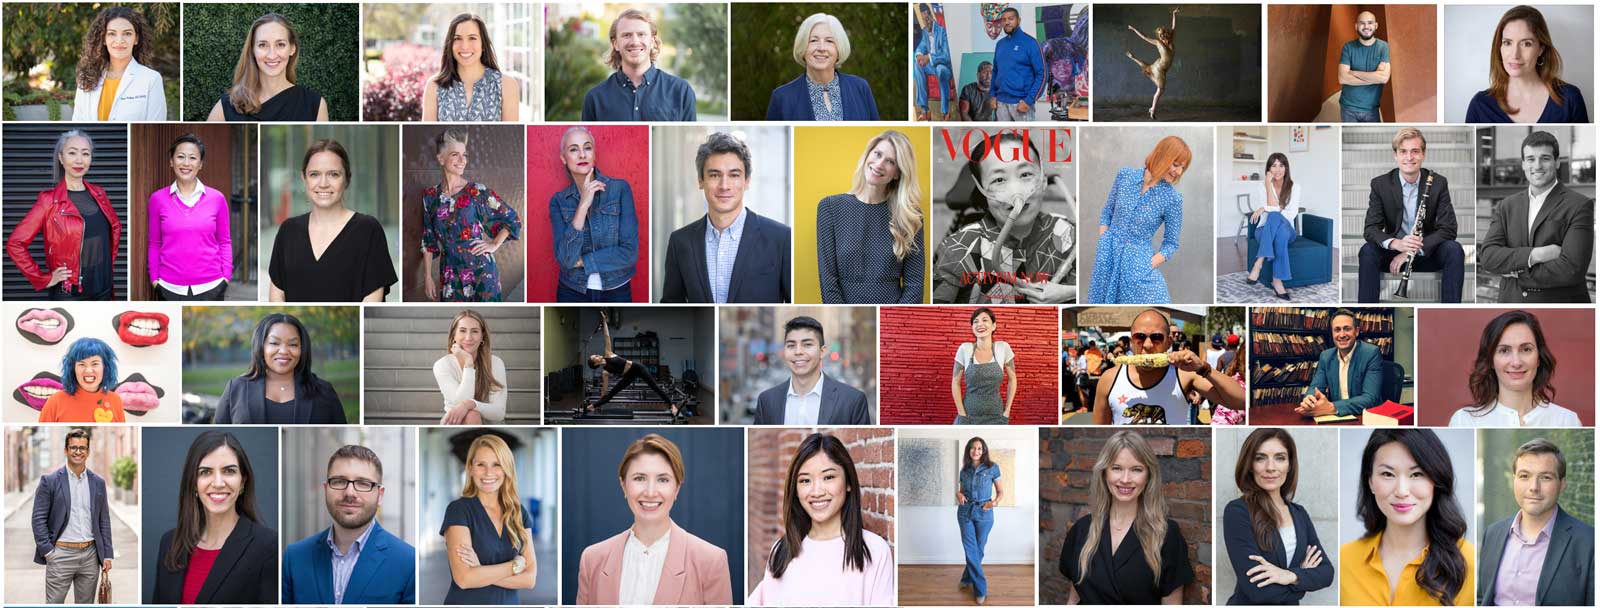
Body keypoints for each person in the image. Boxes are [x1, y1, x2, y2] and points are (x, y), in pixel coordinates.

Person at [575, 434, 733, 604]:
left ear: (677, 488)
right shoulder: (592, 559)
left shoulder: (711, 561)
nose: (650, 492)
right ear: (623, 485)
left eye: (663, 480)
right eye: (639, 478)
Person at [748, 433, 895, 605]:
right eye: (805, 480)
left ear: (848, 483)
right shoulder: (781, 551)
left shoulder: (874, 551)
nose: (816, 492)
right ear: (795, 489)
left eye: (828, 477)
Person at [931, 131, 1075, 304]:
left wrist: (1071, 293)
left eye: (1025, 174)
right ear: (982, 191)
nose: (1016, 191)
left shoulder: (1069, 235)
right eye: (999, 180)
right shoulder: (956, 250)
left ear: (1043, 181)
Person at [1340, 429, 1474, 606]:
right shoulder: (1345, 560)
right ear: (1371, 481)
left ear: (1436, 480)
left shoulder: (1467, 561)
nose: (1402, 491)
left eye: (1417, 474)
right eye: (1388, 474)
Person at [1059, 430, 1194, 604]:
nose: (1125, 479)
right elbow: (1074, 598)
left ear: (1148, 476)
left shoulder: (1166, 534)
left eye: (1136, 470)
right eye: (1116, 468)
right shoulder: (1082, 528)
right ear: (1104, 472)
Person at [661, 132, 791, 303]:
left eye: (734, 175)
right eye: (715, 175)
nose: (724, 186)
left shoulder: (781, 238)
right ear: (701, 180)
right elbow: (672, 308)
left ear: (747, 181)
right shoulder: (680, 241)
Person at [150, 431, 278, 604]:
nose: (218, 483)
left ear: (243, 481)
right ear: (193, 482)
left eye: (229, 471)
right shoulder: (170, 543)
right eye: (205, 472)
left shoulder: (268, 547)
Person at [282, 445, 417, 604]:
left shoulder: (408, 562)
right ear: (326, 489)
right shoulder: (295, 557)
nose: (350, 493)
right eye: (339, 481)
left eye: (363, 483)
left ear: (380, 495)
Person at [268, 139, 398, 302]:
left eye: (333, 174)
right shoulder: (288, 230)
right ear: (304, 178)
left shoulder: (368, 230)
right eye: (314, 174)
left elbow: (372, 297)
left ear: (347, 179)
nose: (323, 184)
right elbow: (277, 294)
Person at [1478, 130, 1594, 302]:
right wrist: (1536, 255)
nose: (1537, 166)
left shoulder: (1579, 205)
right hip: (1511, 302)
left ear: (1556, 162)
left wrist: (1517, 272)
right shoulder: (1506, 206)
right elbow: (1488, 256)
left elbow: (1571, 269)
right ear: (1523, 164)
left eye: (1545, 158)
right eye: (1531, 159)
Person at [1221, 429, 1334, 605]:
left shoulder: (1299, 514)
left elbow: (1327, 573)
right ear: (1250, 465)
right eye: (1260, 458)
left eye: (1280, 458)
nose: (1270, 467)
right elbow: (1260, 592)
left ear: (1289, 465)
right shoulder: (1237, 511)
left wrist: (1290, 575)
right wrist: (1303, 579)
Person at [1477, 438, 1594, 606]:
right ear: (1514, 480)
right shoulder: (1492, 533)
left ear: (1562, 484)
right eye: (1524, 476)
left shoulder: (1589, 542)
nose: (1534, 487)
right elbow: (1482, 597)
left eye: (1545, 477)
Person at [7, 130, 121, 300]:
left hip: (104, 287)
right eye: (72, 152)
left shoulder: (99, 194)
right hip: (70, 292)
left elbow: (110, 235)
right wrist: (43, 279)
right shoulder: (49, 201)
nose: (79, 160)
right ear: (61, 158)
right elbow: (15, 244)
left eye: (85, 153)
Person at [1358, 128, 1465, 303]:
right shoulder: (1380, 184)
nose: (1409, 157)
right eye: (1403, 151)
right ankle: (1365, 311)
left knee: (1454, 249)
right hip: (1394, 255)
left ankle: (1451, 308)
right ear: (1396, 155)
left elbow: (1449, 229)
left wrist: (1412, 251)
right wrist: (1396, 244)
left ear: (1423, 154)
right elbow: (1370, 229)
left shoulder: (1438, 183)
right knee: (1367, 251)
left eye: (1415, 151)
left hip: (1426, 252)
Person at [817, 130, 924, 304]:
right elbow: (828, 280)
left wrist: (893, 322)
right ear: (868, 155)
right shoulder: (830, 207)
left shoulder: (910, 215)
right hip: (846, 318)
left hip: (892, 317)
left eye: (890, 161)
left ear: (897, 173)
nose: (879, 164)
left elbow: (914, 285)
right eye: (878, 154)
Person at [1092, 308, 1246, 425]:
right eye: (1139, 337)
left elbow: (1240, 402)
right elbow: (1098, 432)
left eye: (1157, 337)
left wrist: (1203, 368)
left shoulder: (1184, 375)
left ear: (1169, 343)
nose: (1147, 345)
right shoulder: (1109, 379)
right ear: (1131, 341)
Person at [419, 130, 521, 302]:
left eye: (464, 155)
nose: (462, 160)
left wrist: (494, 244)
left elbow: (512, 220)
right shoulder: (430, 197)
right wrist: (428, 276)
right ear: (440, 158)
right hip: (450, 275)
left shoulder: (476, 191)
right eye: (455, 155)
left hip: (482, 273)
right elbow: (428, 240)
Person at [1087, 136, 1190, 304]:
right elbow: (1107, 211)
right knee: (1103, 304)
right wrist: (1104, 239)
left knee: (1156, 306)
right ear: (1162, 156)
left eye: (1183, 168)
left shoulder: (1172, 199)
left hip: (1137, 265)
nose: (1178, 172)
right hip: (1107, 257)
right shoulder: (1125, 176)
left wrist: (1146, 265)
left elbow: (1171, 244)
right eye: (1176, 164)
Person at [440, 434, 537, 604]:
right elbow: (464, 579)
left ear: (507, 468)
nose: (488, 473)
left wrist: (480, 571)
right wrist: (516, 566)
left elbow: (529, 580)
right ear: (470, 468)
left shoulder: (519, 513)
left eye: (496, 464)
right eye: (480, 465)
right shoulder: (458, 511)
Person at [549, 126, 640, 303]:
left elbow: (629, 253)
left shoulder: (620, 189)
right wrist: (583, 206)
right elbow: (566, 259)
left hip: (616, 290)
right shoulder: (559, 201)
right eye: (573, 149)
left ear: (594, 154)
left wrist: (582, 261)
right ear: (563, 158)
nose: (582, 155)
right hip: (572, 291)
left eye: (587, 147)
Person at [1447, 311, 1578, 427]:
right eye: (1504, 350)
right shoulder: (1465, 421)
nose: (1516, 362)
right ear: (1491, 360)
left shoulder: (1567, 421)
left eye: (1526, 349)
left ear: (1539, 357)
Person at [214, 313, 346, 424]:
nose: (283, 351)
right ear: (261, 347)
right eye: (274, 343)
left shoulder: (324, 391)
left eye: (293, 344)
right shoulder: (236, 388)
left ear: (302, 349)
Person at [31, 429, 114, 604]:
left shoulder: (98, 482)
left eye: (82, 448)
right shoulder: (50, 481)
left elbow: (103, 520)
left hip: (91, 555)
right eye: (73, 447)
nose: (78, 451)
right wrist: (48, 551)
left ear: (88, 451)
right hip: (60, 554)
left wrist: (107, 554)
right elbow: (38, 519)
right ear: (66, 450)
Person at [1465, 6, 1589, 123]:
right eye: (1508, 43)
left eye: (1526, 44)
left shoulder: (1570, 98)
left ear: (1541, 48)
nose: (1515, 54)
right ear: (1499, 47)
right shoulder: (1480, 105)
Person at [147, 133, 232, 300]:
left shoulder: (217, 198)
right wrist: (155, 281)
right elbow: (154, 243)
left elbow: (224, 242)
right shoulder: (158, 199)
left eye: (193, 158)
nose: (186, 163)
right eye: (180, 157)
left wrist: (225, 278)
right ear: (171, 161)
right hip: (169, 287)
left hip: (212, 285)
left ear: (200, 164)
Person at [207, 13, 329, 122]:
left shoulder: (314, 105)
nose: (272, 55)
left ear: (292, 48)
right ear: (252, 50)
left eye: (280, 44)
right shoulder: (228, 104)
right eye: (262, 45)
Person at [582, 9, 696, 122]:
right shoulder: (595, 98)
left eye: (641, 34)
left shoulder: (681, 91)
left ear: (652, 42)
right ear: (615, 44)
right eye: (627, 35)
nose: (635, 42)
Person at [755, 316, 872, 425]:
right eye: (791, 345)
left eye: (807, 344)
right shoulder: (766, 401)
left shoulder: (852, 400)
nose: (798, 351)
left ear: (822, 351)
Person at [766, 13, 880, 121]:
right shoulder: (782, 98)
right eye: (813, 40)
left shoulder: (860, 88)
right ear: (803, 47)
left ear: (838, 49)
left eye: (829, 41)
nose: (821, 48)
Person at [71, 7, 166, 121]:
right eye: (112, 34)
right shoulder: (86, 78)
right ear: (103, 39)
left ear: (136, 39)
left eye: (127, 33)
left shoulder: (151, 79)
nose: (119, 40)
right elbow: (77, 122)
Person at [422, 13, 521, 122]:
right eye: (457, 39)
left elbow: (510, 134)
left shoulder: (507, 85)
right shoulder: (434, 86)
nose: (464, 46)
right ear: (450, 45)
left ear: (483, 44)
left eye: (472, 38)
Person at [584, 313, 681, 419]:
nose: (597, 355)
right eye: (595, 357)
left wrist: (604, 321)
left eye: (596, 355)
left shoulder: (608, 354)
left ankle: (672, 405)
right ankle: (592, 406)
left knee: (654, 387)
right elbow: (605, 389)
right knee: (612, 393)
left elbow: (607, 336)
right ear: (595, 363)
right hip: (628, 375)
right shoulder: (605, 371)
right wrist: (599, 403)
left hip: (638, 368)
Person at [1294, 309, 1383, 418]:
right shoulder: (1326, 356)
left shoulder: (1371, 353)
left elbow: (1370, 399)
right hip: (1335, 417)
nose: (1342, 335)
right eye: (1337, 330)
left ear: (1356, 331)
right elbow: (1316, 387)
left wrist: (1332, 407)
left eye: (1347, 329)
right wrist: (1309, 399)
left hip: (1365, 417)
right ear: (1332, 333)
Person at [435, 310, 509, 425]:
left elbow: (499, 413)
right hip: (456, 422)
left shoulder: (495, 363)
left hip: (491, 425)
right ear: (454, 335)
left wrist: (471, 404)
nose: (468, 337)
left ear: (482, 337)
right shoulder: (442, 365)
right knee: (471, 415)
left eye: (474, 331)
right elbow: (459, 403)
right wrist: (469, 364)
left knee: (472, 413)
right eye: (462, 331)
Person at [1246, 153, 1300, 300]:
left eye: (1281, 165)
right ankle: (1277, 280)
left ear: (1286, 168)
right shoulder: (1261, 187)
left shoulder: (1295, 187)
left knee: (1276, 218)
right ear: (1268, 169)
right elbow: (1272, 209)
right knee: (1278, 229)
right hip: (1263, 230)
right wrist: (1268, 186)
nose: (1277, 169)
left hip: (1288, 229)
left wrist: (1265, 208)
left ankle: (1259, 262)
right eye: (1274, 165)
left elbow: (1290, 214)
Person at [956, 436, 1003, 604]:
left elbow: (1000, 492)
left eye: (979, 448)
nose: (976, 451)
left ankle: (966, 578)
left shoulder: (992, 468)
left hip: (984, 512)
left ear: (984, 451)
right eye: (973, 448)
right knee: (971, 549)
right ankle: (980, 589)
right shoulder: (964, 470)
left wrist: (994, 503)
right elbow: (960, 491)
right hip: (965, 512)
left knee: (979, 549)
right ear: (968, 450)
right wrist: (958, 494)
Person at [951, 308, 1017, 425]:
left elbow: (1013, 379)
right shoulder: (965, 349)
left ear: (994, 326)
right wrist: (962, 414)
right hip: (968, 416)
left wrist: (1007, 411)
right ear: (972, 328)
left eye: (985, 320)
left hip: (997, 416)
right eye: (975, 322)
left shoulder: (1003, 348)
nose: (980, 324)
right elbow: (955, 382)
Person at [39, 338, 126, 423]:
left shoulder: (115, 401)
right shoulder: (56, 401)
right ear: (73, 368)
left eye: (95, 364)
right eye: (81, 364)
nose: (88, 370)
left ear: (105, 367)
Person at [1125, 8, 1179, 120]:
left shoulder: (1171, 40)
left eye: (1165, 35)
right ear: (1160, 37)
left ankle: (1152, 109)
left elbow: (1174, 27)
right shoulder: (1157, 43)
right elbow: (1144, 37)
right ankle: (1152, 110)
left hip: (1162, 68)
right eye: (1162, 36)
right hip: (1159, 69)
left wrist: (1174, 14)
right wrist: (1134, 29)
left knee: (1160, 90)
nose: (1164, 37)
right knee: (1160, 90)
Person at [992, 7, 1043, 121]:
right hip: (1000, 104)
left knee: (1024, 138)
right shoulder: (1000, 44)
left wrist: (1029, 100)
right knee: (1004, 137)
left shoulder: (1030, 43)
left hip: (1021, 103)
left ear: (1018, 20)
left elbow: (1042, 74)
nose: (1007, 22)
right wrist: (993, 95)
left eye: (1011, 19)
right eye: (1004, 20)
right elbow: (995, 71)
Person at [1338, 11, 1390, 123]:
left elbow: (1384, 78)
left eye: (1370, 23)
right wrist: (1374, 78)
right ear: (1356, 26)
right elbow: (1342, 78)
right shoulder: (1348, 47)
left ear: (1376, 25)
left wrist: (1354, 73)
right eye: (1362, 23)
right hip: (1348, 108)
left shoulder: (1383, 47)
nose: (1366, 26)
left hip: (1372, 109)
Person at [914, 4, 954, 121]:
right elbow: (921, 46)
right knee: (917, 65)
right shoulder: (924, 32)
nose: (926, 22)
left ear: (931, 16)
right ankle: (924, 110)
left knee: (940, 70)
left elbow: (947, 56)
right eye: (923, 20)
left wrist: (929, 58)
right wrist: (919, 55)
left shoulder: (942, 31)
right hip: (931, 66)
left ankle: (945, 112)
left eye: (927, 18)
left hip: (943, 66)